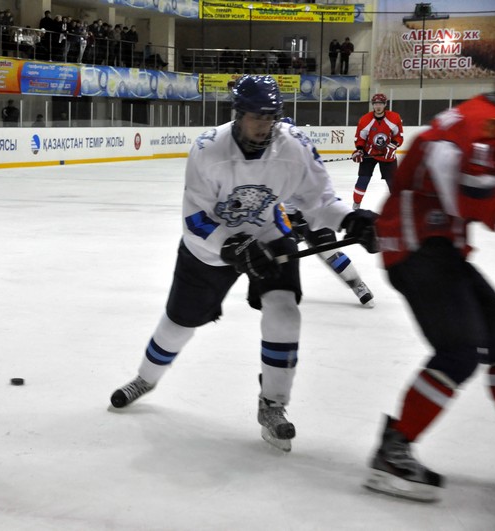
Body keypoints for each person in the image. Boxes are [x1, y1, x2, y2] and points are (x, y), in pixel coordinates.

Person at [109, 75, 379, 452]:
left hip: (269, 233)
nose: (263, 125)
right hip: (211, 247)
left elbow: (319, 201)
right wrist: (231, 245)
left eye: (270, 117)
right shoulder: (207, 149)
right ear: (237, 114)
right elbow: (196, 219)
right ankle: (145, 378)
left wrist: (349, 219)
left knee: (284, 314)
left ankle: (272, 405)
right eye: (255, 116)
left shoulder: (295, 145)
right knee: (177, 325)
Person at [364, 81, 495, 502]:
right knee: (460, 349)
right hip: (415, 246)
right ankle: (394, 452)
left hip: (437, 245)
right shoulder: (482, 124)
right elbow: (472, 198)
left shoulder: (483, 119)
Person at [351, 93, 404, 209]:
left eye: (380, 103)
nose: (378, 106)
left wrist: (393, 146)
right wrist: (359, 150)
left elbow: (398, 136)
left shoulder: (394, 118)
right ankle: (356, 205)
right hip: (369, 154)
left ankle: (398, 208)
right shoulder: (365, 120)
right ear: (373, 105)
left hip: (387, 155)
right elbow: (360, 138)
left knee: (394, 183)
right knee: (363, 179)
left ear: (385, 104)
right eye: (375, 104)